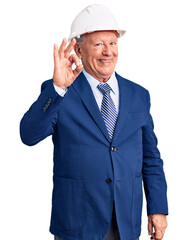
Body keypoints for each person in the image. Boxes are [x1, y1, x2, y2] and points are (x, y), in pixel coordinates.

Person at [20, 4, 168, 240]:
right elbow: (28, 135)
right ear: (78, 49)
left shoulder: (139, 95)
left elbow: (150, 157)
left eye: (112, 43)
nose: (108, 52)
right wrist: (58, 88)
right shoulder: (60, 91)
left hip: (126, 221)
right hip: (77, 223)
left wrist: (158, 207)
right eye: (99, 44)